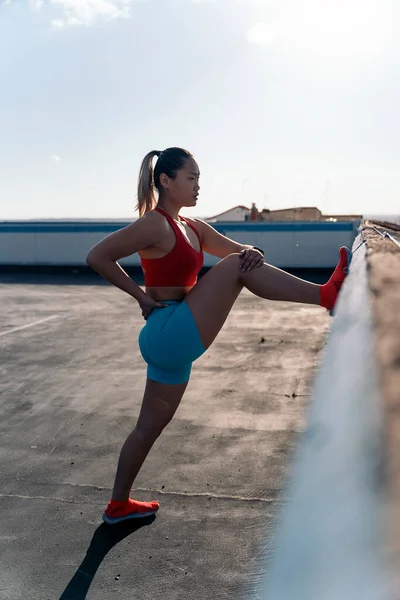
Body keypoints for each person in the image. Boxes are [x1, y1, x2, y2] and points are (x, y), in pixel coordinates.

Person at [86, 147, 351, 525]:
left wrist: (253, 252)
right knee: (233, 269)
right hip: (167, 330)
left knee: (148, 427)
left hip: (173, 338)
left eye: (199, 179)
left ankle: (117, 506)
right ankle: (327, 295)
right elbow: (97, 256)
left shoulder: (193, 227)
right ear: (166, 180)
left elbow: (241, 252)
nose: (198, 187)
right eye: (191, 178)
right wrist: (141, 297)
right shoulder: (155, 224)